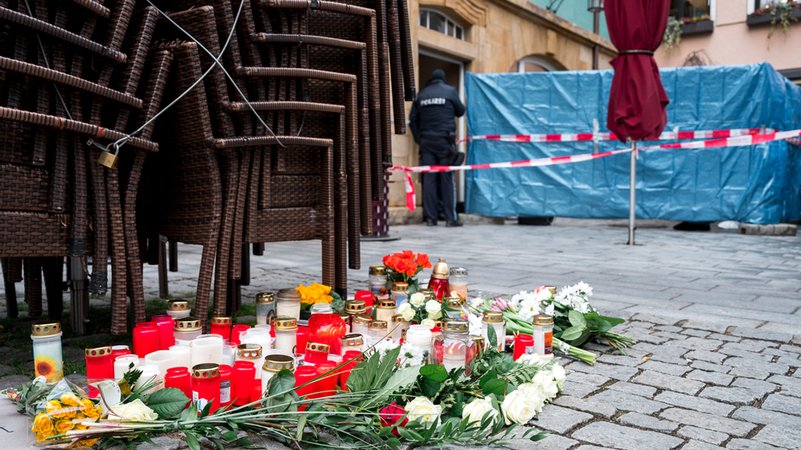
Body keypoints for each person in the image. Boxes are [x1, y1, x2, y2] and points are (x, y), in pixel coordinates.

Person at [409, 69, 465, 227]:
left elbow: (412, 120)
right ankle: (450, 218)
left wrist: (418, 138)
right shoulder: (450, 91)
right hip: (444, 141)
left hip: (426, 142)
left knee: (429, 179)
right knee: (447, 178)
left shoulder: (422, 94)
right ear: (443, 79)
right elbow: (461, 111)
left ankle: (430, 218)